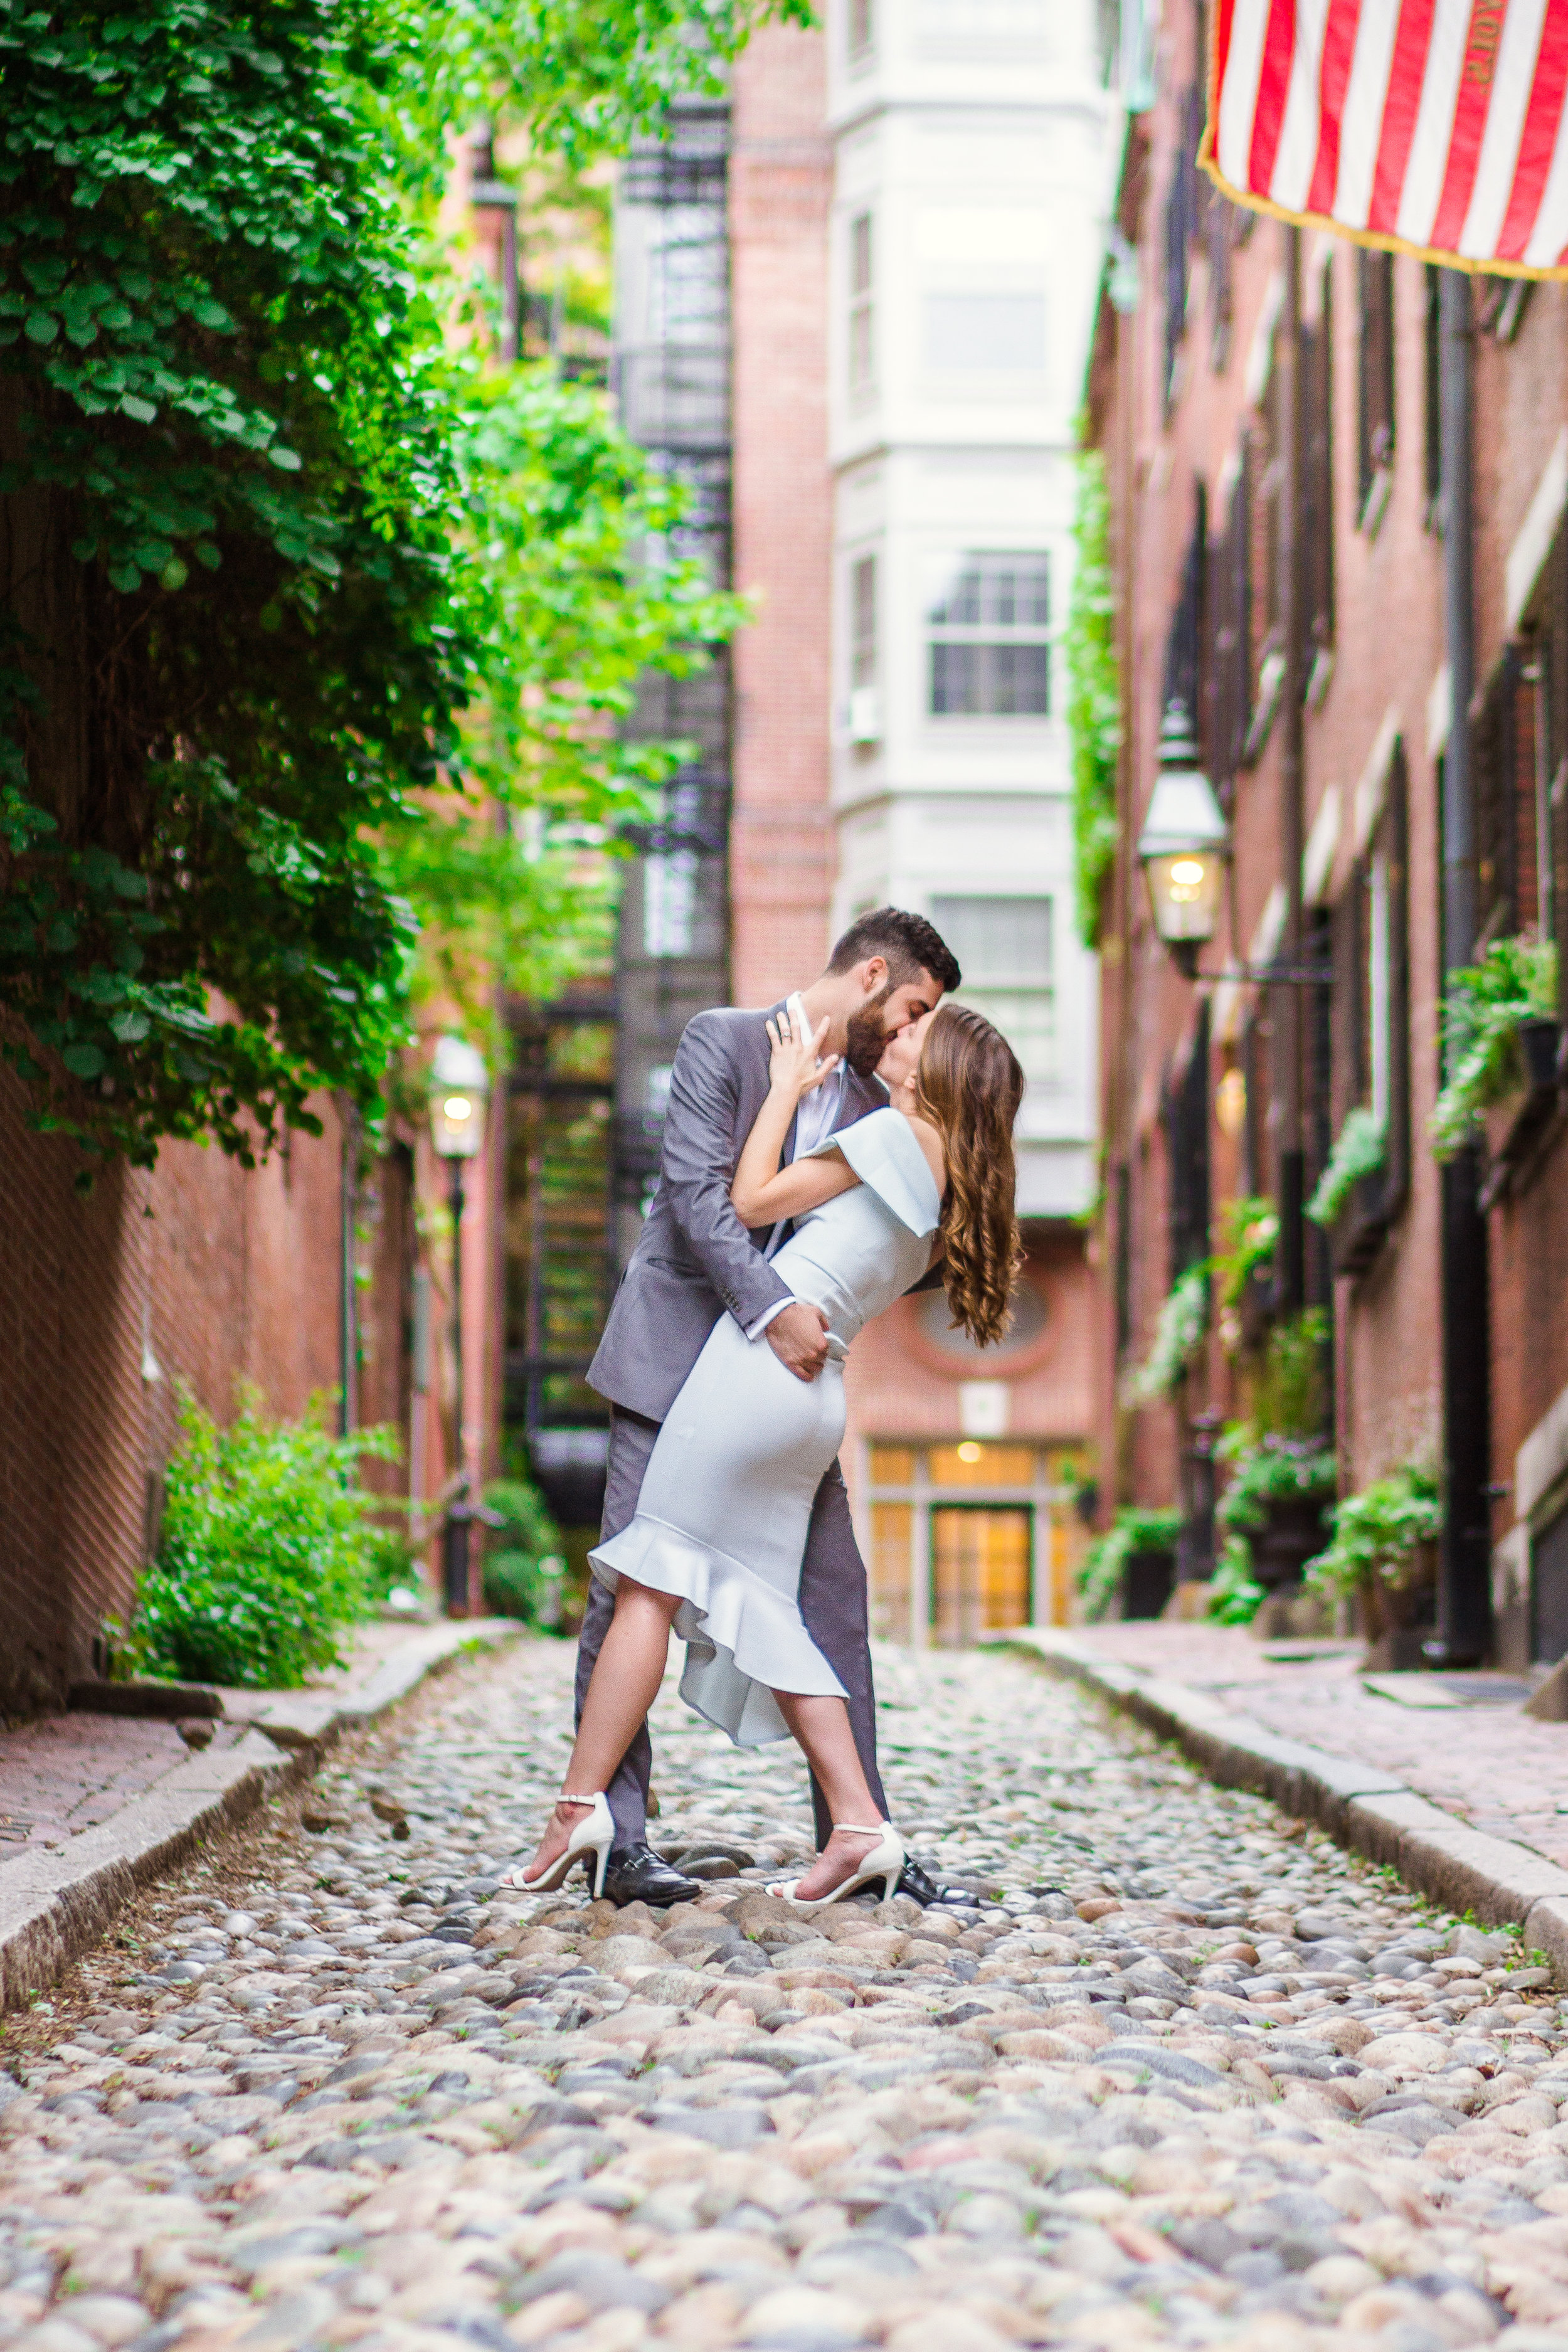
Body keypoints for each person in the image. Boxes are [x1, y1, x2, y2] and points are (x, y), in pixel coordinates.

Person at [514, 995, 1025, 1908]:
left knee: (650, 1579)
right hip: (815, 1386)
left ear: (940, 1071)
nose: (898, 1037)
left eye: (916, 1032)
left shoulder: (893, 1137)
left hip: (755, 1370)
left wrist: (785, 1089)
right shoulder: (951, 1181)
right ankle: (861, 1823)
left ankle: (578, 1808)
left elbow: (748, 1200)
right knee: (767, 1610)